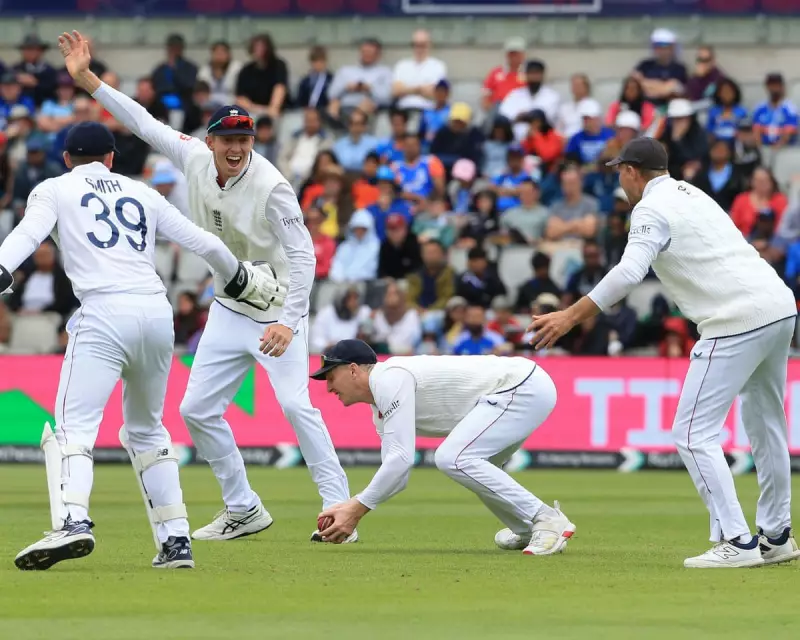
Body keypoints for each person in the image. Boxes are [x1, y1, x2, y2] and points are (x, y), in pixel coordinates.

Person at [60, 30, 353, 542]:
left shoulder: (272, 187)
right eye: (229, 140)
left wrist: (288, 322)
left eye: (246, 140)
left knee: (294, 405)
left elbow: (303, 255)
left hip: (276, 306)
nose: (237, 149)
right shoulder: (195, 157)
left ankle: (339, 512)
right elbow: (144, 124)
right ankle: (243, 507)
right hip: (229, 304)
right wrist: (89, 82)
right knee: (196, 410)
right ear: (211, 140)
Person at [5, 121, 283, 571]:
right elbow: (203, 240)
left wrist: (1, 269)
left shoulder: (54, 189)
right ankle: (175, 541)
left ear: (66, 158)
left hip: (103, 312)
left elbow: (28, 234)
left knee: (73, 428)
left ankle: (74, 522)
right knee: (148, 430)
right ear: (112, 158)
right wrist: (240, 276)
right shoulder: (143, 192)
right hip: (156, 313)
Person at [529, 137, 799, 569]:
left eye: (620, 172)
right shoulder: (693, 193)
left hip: (735, 319)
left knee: (692, 433)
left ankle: (738, 542)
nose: (619, 180)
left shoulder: (649, 209)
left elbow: (628, 273)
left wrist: (570, 316)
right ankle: (777, 535)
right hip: (779, 308)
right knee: (767, 426)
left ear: (633, 171)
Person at [311, 339, 576, 555]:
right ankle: (528, 527)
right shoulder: (379, 404)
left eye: (331, 376)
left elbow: (401, 460)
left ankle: (546, 518)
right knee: (475, 465)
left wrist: (356, 509)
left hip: (522, 386)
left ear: (354, 369)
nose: (329, 387)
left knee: (453, 458)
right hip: (518, 388)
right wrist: (352, 507)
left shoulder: (388, 378)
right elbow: (396, 472)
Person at [391, 29, 447, 112]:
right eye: (416, 45)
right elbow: (396, 91)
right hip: (404, 111)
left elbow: (436, 94)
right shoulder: (402, 65)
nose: (419, 49)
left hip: (428, 110)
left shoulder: (438, 66)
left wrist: (407, 89)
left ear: (430, 45)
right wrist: (420, 89)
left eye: (422, 45)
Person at [235, 33, 289, 120]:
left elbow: (280, 88)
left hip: (276, 112)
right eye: (256, 47)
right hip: (253, 111)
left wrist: (272, 109)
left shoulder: (278, 65)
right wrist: (259, 110)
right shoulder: (246, 70)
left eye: (262, 47)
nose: (258, 50)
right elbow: (240, 98)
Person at [150, 33, 198, 110]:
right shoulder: (160, 69)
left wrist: (174, 69)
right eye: (172, 48)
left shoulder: (190, 68)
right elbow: (155, 87)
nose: (174, 51)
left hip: (184, 104)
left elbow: (189, 86)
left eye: (177, 48)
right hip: (162, 106)